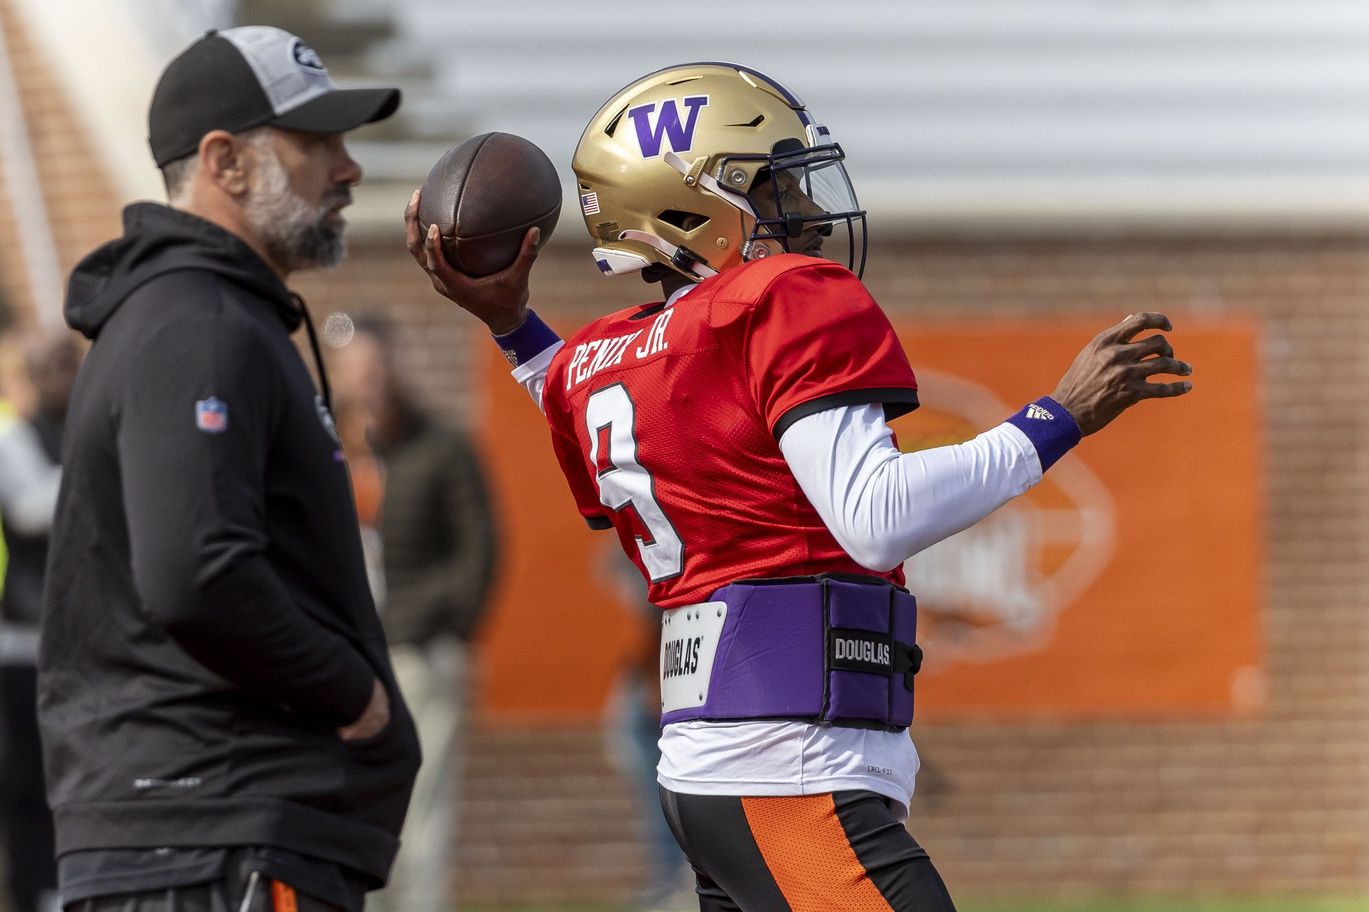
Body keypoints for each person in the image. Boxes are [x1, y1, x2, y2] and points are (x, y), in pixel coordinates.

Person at [406, 62, 1193, 911]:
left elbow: (566, 380)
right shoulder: (781, 297)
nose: (811, 216)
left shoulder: (603, 358)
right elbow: (875, 517)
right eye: (776, 189)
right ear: (691, 208)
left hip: (712, 767)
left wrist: (509, 323)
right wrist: (1058, 417)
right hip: (792, 765)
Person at [40, 26, 419, 912]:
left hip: (217, 837)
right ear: (226, 162)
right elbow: (197, 573)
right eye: (316, 141)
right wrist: (353, 695)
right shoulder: (196, 322)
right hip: (214, 837)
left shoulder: (215, 315)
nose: (348, 167)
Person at [328, 317, 499, 912]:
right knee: (352, 807)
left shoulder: (437, 445)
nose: (366, 382)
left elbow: (478, 549)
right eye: (353, 370)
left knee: (423, 808)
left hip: (419, 651)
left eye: (374, 368)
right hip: (342, 660)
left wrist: (442, 622)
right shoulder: (321, 449)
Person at [0, 330, 81, 912]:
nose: (64, 376)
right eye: (51, 366)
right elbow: (32, 508)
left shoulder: (78, 431)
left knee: (75, 772)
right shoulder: (15, 439)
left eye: (69, 364)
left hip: (78, 639)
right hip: (25, 641)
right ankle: (38, 890)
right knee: (32, 778)